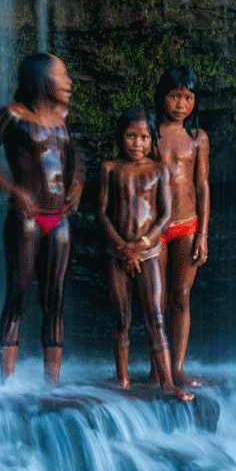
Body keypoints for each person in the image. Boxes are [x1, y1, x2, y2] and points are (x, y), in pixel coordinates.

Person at [0, 52, 83, 385]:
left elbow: (72, 162)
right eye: (61, 76)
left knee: (55, 297)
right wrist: (13, 191)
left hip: (59, 218)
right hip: (27, 220)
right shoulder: (11, 116)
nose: (69, 82)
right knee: (18, 293)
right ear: (41, 81)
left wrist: (76, 185)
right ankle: (7, 382)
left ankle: (53, 384)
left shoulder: (63, 117)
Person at [97, 107, 194, 399]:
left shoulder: (159, 170)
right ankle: (122, 379)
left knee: (155, 315)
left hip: (149, 253)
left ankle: (167, 383)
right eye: (130, 136)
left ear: (152, 139)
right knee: (120, 317)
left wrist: (140, 245)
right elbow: (101, 213)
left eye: (143, 138)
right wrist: (122, 246)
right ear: (120, 136)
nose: (136, 144)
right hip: (117, 254)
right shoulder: (109, 169)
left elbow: (164, 215)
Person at [154, 65, 209, 388]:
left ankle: (177, 366)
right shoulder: (150, 134)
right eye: (175, 97)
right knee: (156, 300)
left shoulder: (197, 138)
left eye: (187, 98)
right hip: (155, 227)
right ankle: (156, 366)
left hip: (188, 225)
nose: (180, 105)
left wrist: (203, 232)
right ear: (162, 97)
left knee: (182, 296)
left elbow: (202, 186)